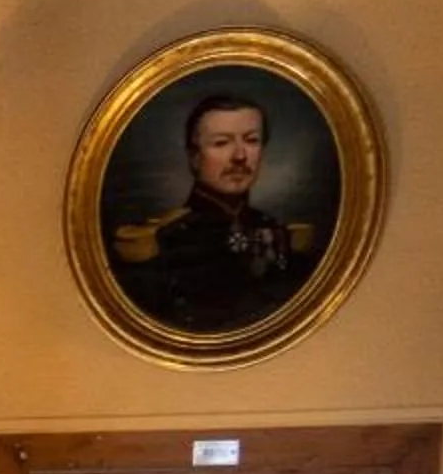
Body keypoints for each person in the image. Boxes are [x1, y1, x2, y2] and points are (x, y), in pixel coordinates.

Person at [112, 92, 318, 333]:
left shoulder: (281, 235)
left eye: (251, 140)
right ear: (194, 157)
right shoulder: (162, 241)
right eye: (221, 143)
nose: (240, 156)